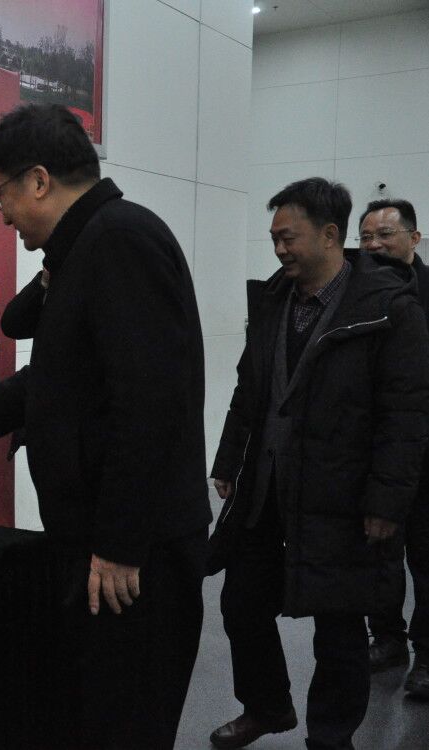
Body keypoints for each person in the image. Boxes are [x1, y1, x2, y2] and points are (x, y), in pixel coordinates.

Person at [0, 103, 211, 749]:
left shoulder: (120, 239)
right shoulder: (84, 247)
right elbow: (56, 378)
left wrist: (121, 543)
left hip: (133, 551)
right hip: (98, 535)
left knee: (123, 722)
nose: (2, 214)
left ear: (39, 180)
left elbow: (149, 404)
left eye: (0, 194)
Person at [207, 179, 429, 749]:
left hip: (343, 494)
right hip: (269, 487)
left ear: (330, 235)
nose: (279, 249)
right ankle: (267, 706)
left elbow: (405, 415)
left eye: (289, 238)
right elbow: (249, 390)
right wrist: (229, 458)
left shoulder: (388, 308)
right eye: (275, 239)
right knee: (240, 602)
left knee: (339, 626)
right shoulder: (273, 300)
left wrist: (387, 501)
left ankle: (331, 737)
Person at [357, 198, 429, 696]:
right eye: (366, 237)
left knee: (425, 556)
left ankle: (427, 654)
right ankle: (386, 639)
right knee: (378, 551)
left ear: (414, 238)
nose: (374, 245)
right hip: (374, 450)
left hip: (425, 449)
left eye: (385, 234)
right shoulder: (356, 293)